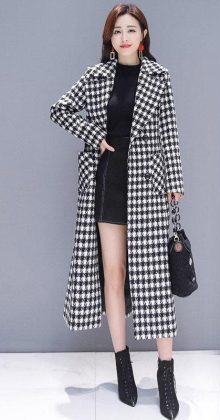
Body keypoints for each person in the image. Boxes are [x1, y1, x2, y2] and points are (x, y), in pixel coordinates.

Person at [49, 4, 184, 419]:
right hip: (108, 180)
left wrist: (175, 180)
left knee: (154, 277)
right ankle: (122, 364)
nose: (124, 37)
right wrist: (95, 134)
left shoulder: (159, 77)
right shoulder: (96, 75)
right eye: (117, 31)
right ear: (110, 38)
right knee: (114, 272)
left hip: (147, 184)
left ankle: (165, 373)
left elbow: (169, 132)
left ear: (143, 35)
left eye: (131, 30)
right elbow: (59, 109)